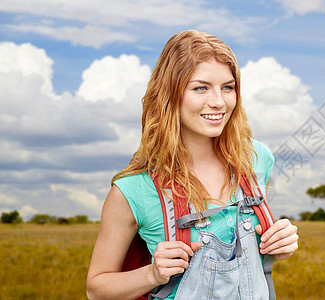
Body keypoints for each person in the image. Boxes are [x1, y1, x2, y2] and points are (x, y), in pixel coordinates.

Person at [86, 30, 299, 300]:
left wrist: (278, 246)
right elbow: (95, 289)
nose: (219, 102)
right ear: (170, 94)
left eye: (228, 87)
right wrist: (151, 274)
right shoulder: (133, 189)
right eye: (201, 87)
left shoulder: (257, 158)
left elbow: (247, 263)